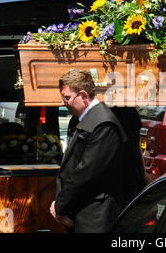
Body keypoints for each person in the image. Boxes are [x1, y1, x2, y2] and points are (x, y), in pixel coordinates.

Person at [49, 69, 134, 233]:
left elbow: (87, 172)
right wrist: (65, 207)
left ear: (83, 95)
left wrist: (60, 205)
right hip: (80, 209)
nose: (63, 103)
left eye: (67, 98)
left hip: (95, 215)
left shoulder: (103, 124)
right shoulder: (85, 119)